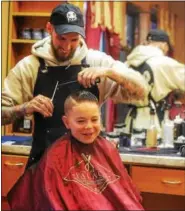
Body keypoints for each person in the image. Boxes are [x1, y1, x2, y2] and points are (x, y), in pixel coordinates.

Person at [2, 3, 148, 167]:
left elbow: (141, 91)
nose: (66, 47)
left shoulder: (97, 61)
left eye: (74, 40)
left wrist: (109, 73)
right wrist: (24, 108)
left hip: (88, 166)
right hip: (45, 166)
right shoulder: (29, 67)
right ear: (49, 29)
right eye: (61, 38)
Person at [7, 90, 144, 211]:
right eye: (81, 121)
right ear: (67, 122)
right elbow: (52, 201)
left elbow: (126, 195)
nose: (89, 126)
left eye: (94, 119)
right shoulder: (56, 156)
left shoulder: (108, 148)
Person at [123, 29, 185, 137]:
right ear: (164, 45)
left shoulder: (128, 62)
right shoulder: (164, 63)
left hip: (131, 122)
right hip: (153, 122)